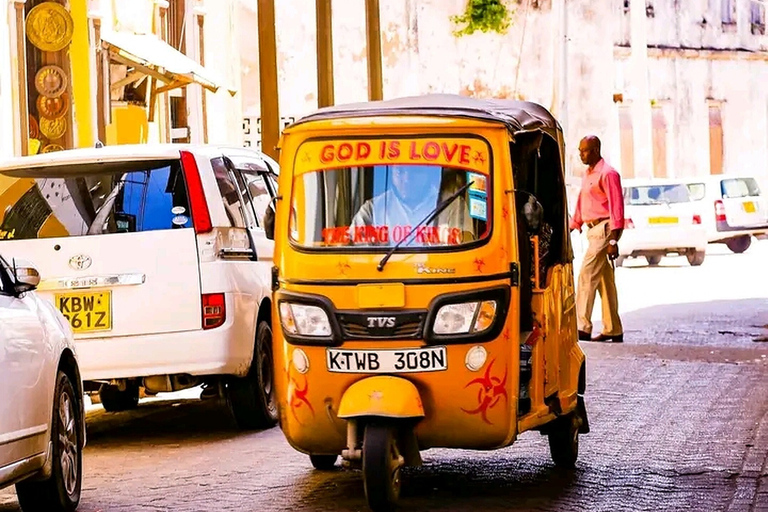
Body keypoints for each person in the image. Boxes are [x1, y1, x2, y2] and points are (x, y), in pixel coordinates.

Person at [569, 136, 625, 343]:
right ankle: (613, 329)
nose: (581, 154)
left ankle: (582, 326)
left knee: (586, 275)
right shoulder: (587, 174)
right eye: (580, 150)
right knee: (604, 281)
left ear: (596, 150)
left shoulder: (608, 174)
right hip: (592, 230)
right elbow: (582, 202)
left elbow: (617, 208)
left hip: (604, 230)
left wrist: (613, 240)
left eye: (584, 151)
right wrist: (574, 225)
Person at [350, 165, 474, 245]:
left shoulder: (452, 205)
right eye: (399, 171)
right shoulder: (372, 209)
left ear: (428, 173)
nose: (407, 179)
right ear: (391, 173)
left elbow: (465, 247)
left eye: (415, 171)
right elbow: (354, 254)